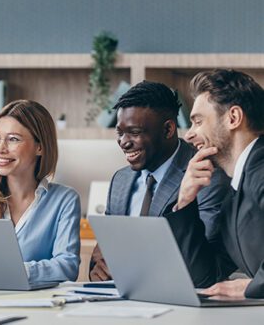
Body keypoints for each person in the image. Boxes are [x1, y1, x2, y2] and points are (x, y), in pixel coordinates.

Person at [89, 81, 227, 281]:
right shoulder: (121, 179)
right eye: (120, 133)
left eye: (135, 132)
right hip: (122, 301)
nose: (124, 142)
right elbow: (103, 253)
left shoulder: (205, 176)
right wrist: (97, 271)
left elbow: (203, 265)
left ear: (168, 129)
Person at [0, 100, 80, 284]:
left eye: (13, 139)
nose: (0, 149)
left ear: (39, 147)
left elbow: (67, 267)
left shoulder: (64, 200)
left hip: (37, 307)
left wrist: (9, 270)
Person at [166, 69, 264, 299]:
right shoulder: (234, 195)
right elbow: (205, 278)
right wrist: (185, 202)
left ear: (233, 118)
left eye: (198, 121)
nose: (189, 135)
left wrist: (253, 287)